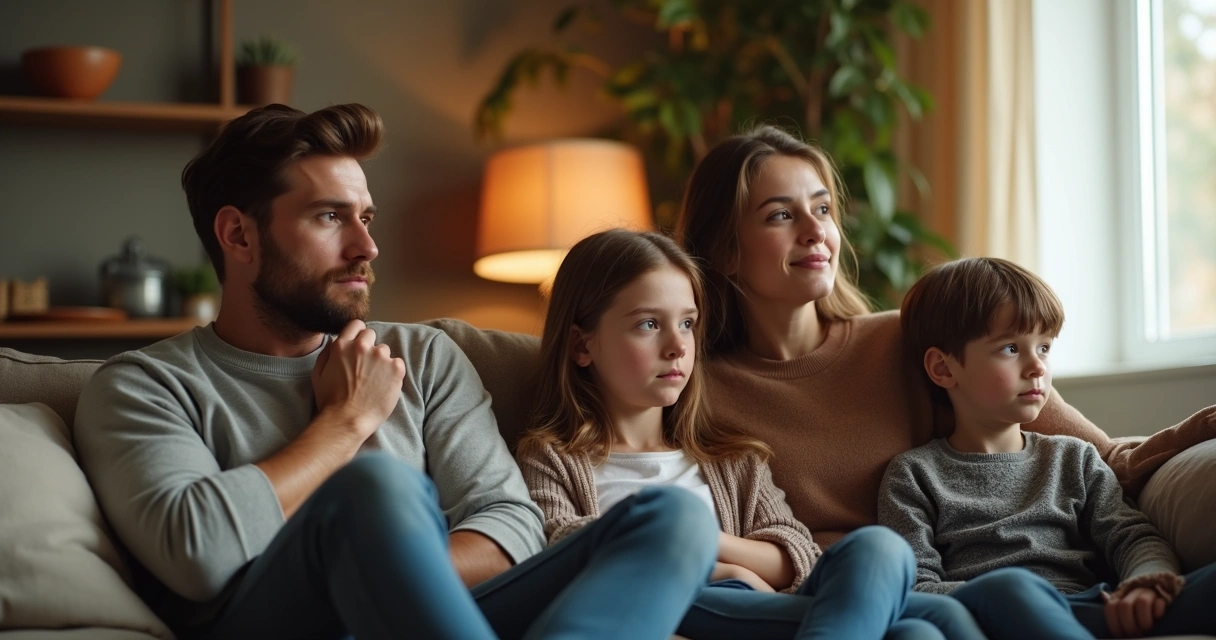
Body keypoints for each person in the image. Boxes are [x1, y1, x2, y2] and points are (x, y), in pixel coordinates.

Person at [73, 103, 719, 640]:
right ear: (239, 237)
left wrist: (385, 574)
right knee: (375, 489)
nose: (367, 246)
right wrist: (345, 423)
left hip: (432, 622)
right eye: (331, 217)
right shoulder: (141, 386)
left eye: (367, 217)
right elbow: (199, 552)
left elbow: (513, 523)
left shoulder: (426, 356)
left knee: (670, 519)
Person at [673, 124, 1214, 551]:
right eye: (780, 216)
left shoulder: (906, 339)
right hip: (840, 595)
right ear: (723, 251)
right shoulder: (692, 386)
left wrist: (1199, 429)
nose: (815, 231)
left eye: (823, 209)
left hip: (982, 583)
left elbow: (1104, 459)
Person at [515, 228, 986, 640]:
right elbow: (561, 549)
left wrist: (708, 548)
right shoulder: (552, 458)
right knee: (930, 620)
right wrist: (723, 565)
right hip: (679, 611)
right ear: (582, 344)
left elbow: (794, 552)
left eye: (687, 323)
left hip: (769, 607)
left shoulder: (730, 458)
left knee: (883, 554)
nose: (678, 345)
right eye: (648, 324)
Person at [878, 256, 1216, 639]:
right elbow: (916, 586)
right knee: (1012, 590)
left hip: (1090, 610)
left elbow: (1132, 537)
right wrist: (1015, 598)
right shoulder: (914, 474)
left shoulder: (1074, 458)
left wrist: (1145, 583)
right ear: (944, 368)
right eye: (1010, 349)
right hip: (990, 619)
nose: (1037, 367)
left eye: (1044, 347)